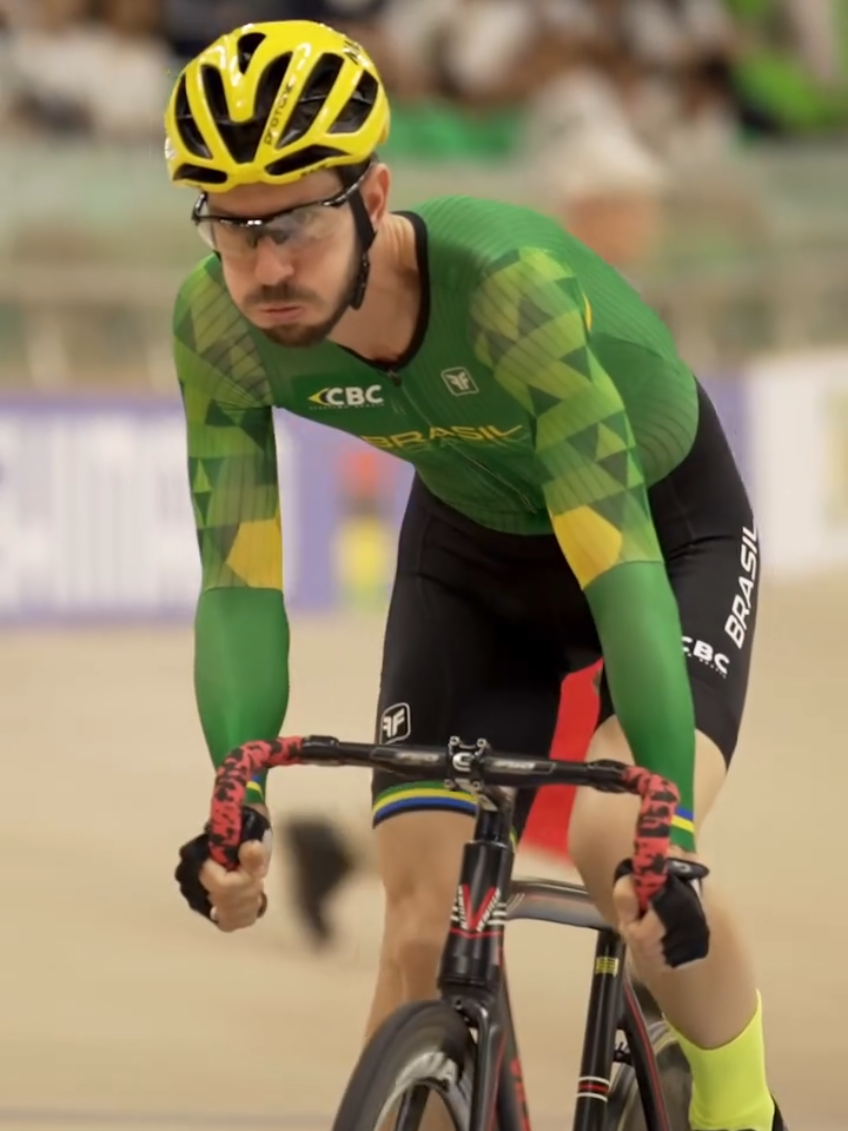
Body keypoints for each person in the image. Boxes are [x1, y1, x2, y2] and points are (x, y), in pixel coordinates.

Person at [169, 21, 783, 1131]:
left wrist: (666, 835)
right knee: (417, 918)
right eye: (230, 224)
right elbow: (238, 583)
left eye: (295, 221)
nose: (263, 265)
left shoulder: (509, 290)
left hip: (660, 533)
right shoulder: (216, 327)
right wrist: (236, 795)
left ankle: (740, 1110)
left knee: (613, 845)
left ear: (372, 195)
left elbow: (620, 566)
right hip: (472, 550)